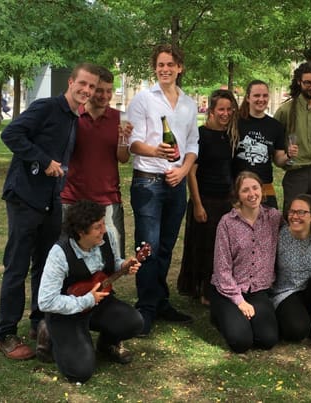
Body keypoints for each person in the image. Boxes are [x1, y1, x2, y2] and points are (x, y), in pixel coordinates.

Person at [0, 62, 100, 360]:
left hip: (51, 201)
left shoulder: (73, 118)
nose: (86, 90)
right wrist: (43, 160)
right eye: (83, 84)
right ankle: (5, 333)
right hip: (25, 198)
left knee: (45, 265)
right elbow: (11, 135)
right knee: (16, 266)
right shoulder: (46, 107)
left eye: (91, 87)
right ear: (70, 82)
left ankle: (38, 322)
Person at [126, 44, 199, 336]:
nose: (165, 69)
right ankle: (145, 308)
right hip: (148, 182)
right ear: (154, 68)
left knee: (166, 247)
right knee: (148, 248)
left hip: (176, 183)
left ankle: (160, 302)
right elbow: (132, 143)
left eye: (170, 64)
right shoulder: (144, 98)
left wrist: (183, 170)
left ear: (179, 67)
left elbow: (193, 144)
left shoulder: (189, 104)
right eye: (160, 65)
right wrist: (156, 151)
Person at [38, 200, 144, 383]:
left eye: (103, 223)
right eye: (97, 227)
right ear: (81, 231)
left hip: (97, 301)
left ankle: (107, 344)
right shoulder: (59, 253)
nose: (104, 229)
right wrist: (86, 301)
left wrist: (124, 266)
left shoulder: (106, 237)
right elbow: (46, 301)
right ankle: (50, 333)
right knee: (80, 371)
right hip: (67, 312)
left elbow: (112, 264)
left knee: (134, 322)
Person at [61, 66, 132, 263]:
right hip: (72, 197)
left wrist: (122, 140)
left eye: (109, 90)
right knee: (70, 254)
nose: (104, 95)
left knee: (112, 254)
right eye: (99, 90)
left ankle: (107, 292)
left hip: (107, 198)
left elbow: (123, 158)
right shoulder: (73, 117)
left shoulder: (121, 118)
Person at [177, 89, 239, 305]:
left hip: (226, 200)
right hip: (205, 200)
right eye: (221, 109)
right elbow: (191, 173)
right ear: (211, 110)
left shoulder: (230, 135)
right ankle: (203, 290)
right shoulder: (200, 136)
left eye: (229, 109)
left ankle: (219, 286)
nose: (225, 113)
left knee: (223, 248)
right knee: (205, 247)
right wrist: (197, 204)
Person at [209, 171, 281, 353]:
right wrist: (239, 301)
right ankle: (219, 313)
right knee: (241, 342)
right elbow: (221, 269)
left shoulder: (273, 217)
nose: (252, 194)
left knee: (268, 339)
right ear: (238, 195)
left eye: (255, 188)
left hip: (258, 289)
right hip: (229, 290)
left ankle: (243, 320)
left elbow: (298, 226)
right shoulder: (227, 222)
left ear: (262, 191)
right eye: (245, 190)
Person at [271, 194, 311, 344]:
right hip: (286, 293)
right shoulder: (278, 236)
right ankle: (295, 318)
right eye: (292, 212)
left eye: (301, 212)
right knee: (296, 332)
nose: (295, 216)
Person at [273, 62, 311, 212]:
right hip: (296, 173)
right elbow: (275, 142)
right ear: (299, 82)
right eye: (307, 83)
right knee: (293, 217)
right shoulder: (285, 110)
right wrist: (285, 156)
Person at [233, 80, 297, 208]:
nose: (261, 99)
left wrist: (288, 155)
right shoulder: (236, 122)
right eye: (256, 96)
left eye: (265, 96)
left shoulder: (275, 126)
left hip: (265, 186)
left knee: (270, 225)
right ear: (247, 98)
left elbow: (278, 160)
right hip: (239, 187)